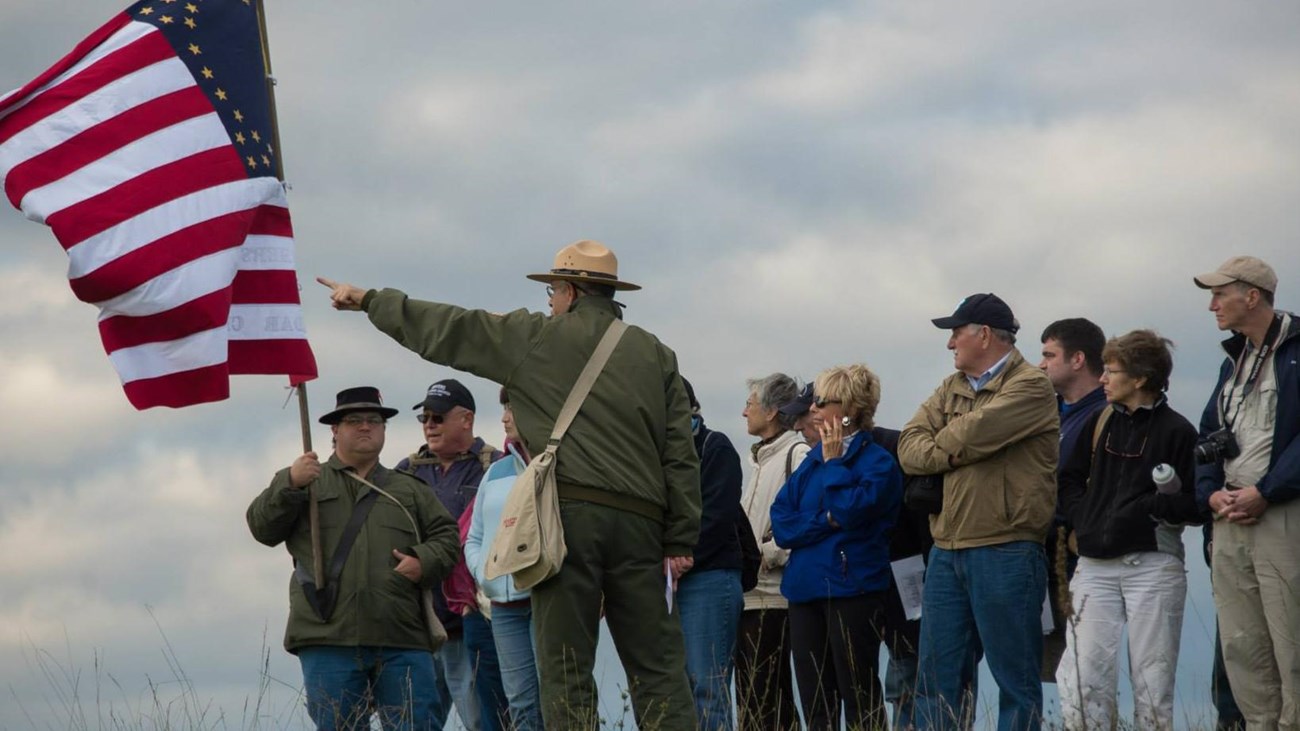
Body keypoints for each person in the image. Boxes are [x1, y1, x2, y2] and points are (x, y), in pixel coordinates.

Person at [318, 239, 700, 730]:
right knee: (659, 670)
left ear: (569, 291)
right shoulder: (656, 354)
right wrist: (680, 537)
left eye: (552, 294)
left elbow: (449, 328)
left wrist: (371, 300)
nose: (550, 303)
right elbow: (680, 456)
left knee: (565, 670)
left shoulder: (536, 339)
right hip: (643, 526)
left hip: (567, 521)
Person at [246, 387, 460, 731]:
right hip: (328, 635)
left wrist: (424, 561)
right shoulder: (305, 481)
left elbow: (448, 540)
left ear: (384, 429)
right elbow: (261, 528)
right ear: (334, 430)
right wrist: (289, 482)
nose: (365, 427)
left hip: (401, 636)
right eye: (354, 420)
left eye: (374, 420)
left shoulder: (410, 489)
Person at [898, 293, 1059, 731]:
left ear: (984, 335)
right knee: (936, 681)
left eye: (956, 333)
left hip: (1006, 547)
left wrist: (945, 446)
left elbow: (971, 434)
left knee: (1015, 681)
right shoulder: (950, 386)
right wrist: (950, 451)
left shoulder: (1031, 384)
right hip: (947, 550)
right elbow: (908, 444)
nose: (950, 344)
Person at [1055, 330, 1201, 730]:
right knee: (1081, 681)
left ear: (1140, 378)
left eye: (1112, 370)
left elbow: (1196, 504)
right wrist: (1082, 517)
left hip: (1152, 567)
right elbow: (1066, 479)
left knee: (1153, 686)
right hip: (1093, 568)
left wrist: (1152, 507)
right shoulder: (1099, 422)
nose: (1102, 378)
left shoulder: (1178, 431)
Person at [1194, 256, 1300, 730]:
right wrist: (1210, 493)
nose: (1212, 305)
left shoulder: (1296, 348)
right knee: (1242, 645)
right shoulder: (1232, 359)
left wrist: (1267, 491)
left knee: (1290, 640)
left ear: (1251, 296)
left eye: (1220, 294)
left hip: (1280, 513)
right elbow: (1208, 433)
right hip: (1230, 517)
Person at [770, 364, 903, 731]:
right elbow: (782, 523)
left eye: (820, 402)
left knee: (859, 696)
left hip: (852, 591)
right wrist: (825, 521)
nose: (811, 410)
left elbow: (847, 509)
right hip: (803, 593)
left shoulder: (878, 463)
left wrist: (834, 465)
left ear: (847, 409)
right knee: (816, 702)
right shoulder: (810, 462)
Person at [396, 379, 508, 731]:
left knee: (482, 720)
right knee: (410, 723)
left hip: (472, 624)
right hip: (419, 626)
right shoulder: (407, 471)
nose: (429, 424)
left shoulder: (497, 466)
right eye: (425, 417)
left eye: (438, 417)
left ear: (467, 419)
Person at [464, 388, 544, 731]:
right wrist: (485, 574)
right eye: (504, 408)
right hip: (504, 608)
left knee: (560, 697)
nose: (504, 417)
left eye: (513, 407)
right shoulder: (495, 473)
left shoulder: (561, 465)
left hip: (548, 597)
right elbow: (474, 535)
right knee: (521, 703)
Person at [736, 373, 807, 731]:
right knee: (752, 697)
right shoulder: (761, 460)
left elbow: (808, 516)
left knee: (766, 699)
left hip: (774, 597)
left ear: (773, 410)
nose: (743, 412)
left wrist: (770, 552)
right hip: (750, 595)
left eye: (750, 403)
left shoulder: (798, 453)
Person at [1037, 318, 1107, 681]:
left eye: (1049, 355)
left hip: (1082, 555)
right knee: (1045, 669)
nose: (1041, 364)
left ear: (1078, 359)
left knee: (1082, 669)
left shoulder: (1107, 414)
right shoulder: (1048, 414)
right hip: (1045, 555)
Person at [676, 377, 745, 731]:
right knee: (676, 694)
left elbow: (718, 516)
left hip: (708, 578)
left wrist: (678, 557)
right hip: (667, 585)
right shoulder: (653, 456)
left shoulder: (714, 447)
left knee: (707, 688)